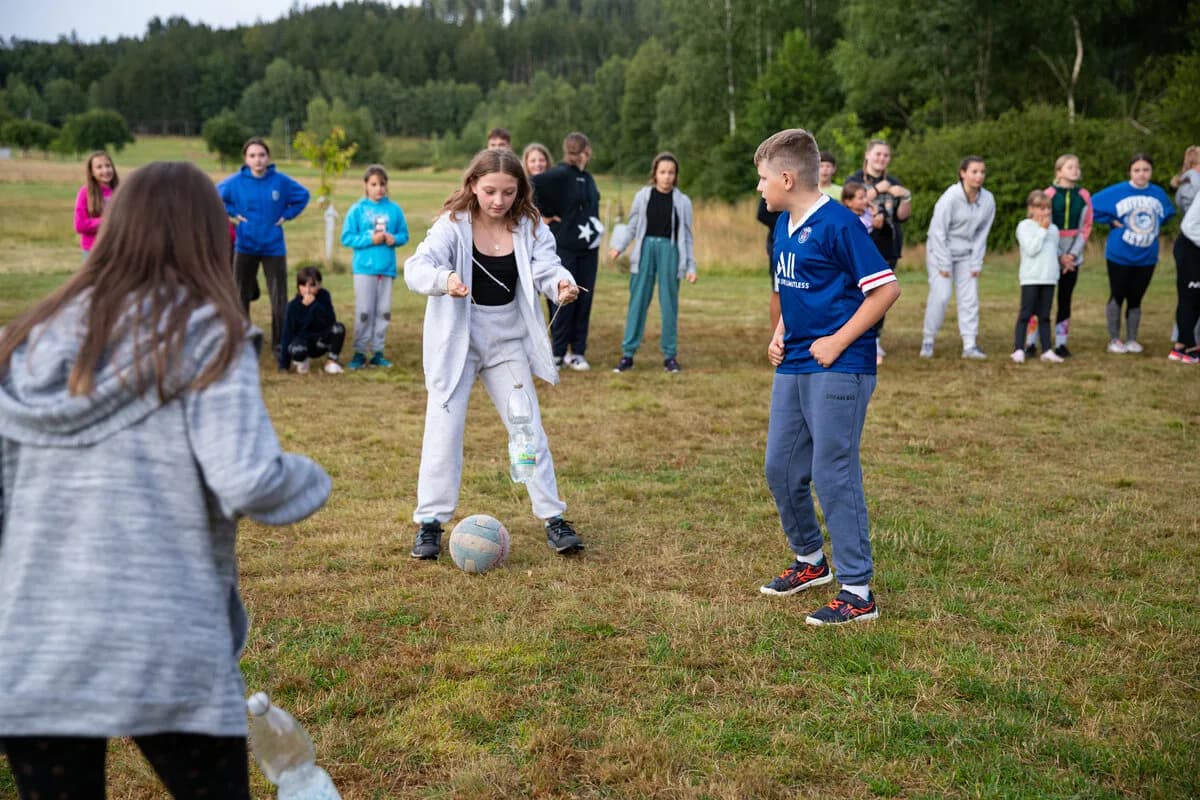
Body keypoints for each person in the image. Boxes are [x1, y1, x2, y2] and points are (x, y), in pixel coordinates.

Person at [0, 161, 331, 800]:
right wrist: (314, 480)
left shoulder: (25, 339)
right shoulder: (208, 336)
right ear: (210, 236)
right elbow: (250, 478)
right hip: (166, 637)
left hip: (35, 644)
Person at [404, 148, 585, 560]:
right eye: (489, 191)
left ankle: (554, 518)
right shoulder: (452, 226)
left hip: (507, 342)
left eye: (507, 192)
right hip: (457, 343)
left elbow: (546, 267)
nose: (498, 201)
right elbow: (416, 266)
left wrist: (561, 285)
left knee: (528, 429)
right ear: (472, 186)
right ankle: (430, 524)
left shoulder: (531, 226)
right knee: (443, 430)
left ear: (520, 190)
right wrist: (443, 279)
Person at [753, 128, 900, 626]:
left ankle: (858, 592)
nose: (760, 188)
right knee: (781, 467)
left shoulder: (840, 224)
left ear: (788, 178)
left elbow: (885, 291)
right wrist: (780, 329)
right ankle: (810, 562)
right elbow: (797, 289)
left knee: (832, 471)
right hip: (795, 361)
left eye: (763, 179)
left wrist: (838, 341)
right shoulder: (784, 224)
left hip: (842, 365)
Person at [218, 136, 310, 354]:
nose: (257, 160)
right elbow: (214, 195)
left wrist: (287, 215)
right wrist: (232, 213)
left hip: (273, 247)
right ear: (246, 159)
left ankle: (280, 342)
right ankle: (242, 341)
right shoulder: (235, 182)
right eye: (252, 156)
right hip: (245, 245)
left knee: (278, 297)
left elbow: (303, 196)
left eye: (261, 155)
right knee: (239, 294)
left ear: (268, 158)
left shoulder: (280, 181)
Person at [608, 152, 697, 373]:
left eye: (671, 173)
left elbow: (687, 235)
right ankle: (628, 355)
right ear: (655, 174)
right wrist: (619, 246)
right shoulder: (642, 196)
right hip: (644, 250)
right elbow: (632, 226)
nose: (667, 177)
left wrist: (691, 266)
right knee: (637, 302)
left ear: (675, 176)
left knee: (669, 305)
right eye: (662, 172)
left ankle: (670, 356)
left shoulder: (683, 201)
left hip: (671, 252)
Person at [532, 132, 602, 371]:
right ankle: (558, 352)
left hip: (589, 249)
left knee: (585, 298)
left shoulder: (588, 178)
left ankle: (578, 351)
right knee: (565, 297)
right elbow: (531, 184)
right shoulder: (561, 174)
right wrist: (543, 215)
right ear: (586, 151)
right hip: (565, 247)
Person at [1091, 153, 1175, 354]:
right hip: (1120, 254)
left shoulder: (1158, 193)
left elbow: (1167, 214)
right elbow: (1091, 206)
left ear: (1151, 171)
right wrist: (1111, 221)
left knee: (1136, 298)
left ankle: (1131, 339)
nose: (1141, 174)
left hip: (1147, 255)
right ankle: (1114, 339)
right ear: (1130, 171)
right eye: (1137, 170)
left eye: (1146, 170)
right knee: (1117, 295)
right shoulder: (1118, 191)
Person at [920, 156, 996, 359]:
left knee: (970, 298)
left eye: (982, 172)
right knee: (941, 296)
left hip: (967, 254)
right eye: (974, 171)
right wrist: (944, 263)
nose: (979, 176)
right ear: (963, 173)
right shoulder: (950, 197)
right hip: (940, 252)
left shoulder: (987, 199)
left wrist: (976, 262)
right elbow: (937, 232)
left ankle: (969, 345)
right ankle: (928, 341)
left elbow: (982, 233)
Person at [339, 164, 410, 369]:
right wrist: (370, 238)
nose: (378, 188)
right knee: (364, 311)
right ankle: (360, 352)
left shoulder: (394, 210)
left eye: (382, 184)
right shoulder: (357, 210)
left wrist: (392, 238)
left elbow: (404, 235)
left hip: (386, 269)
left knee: (383, 311)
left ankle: (377, 351)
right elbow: (347, 237)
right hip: (364, 269)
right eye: (374, 184)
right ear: (366, 185)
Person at [848, 140, 911, 364]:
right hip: (861, 244)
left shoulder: (893, 182)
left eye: (885, 155)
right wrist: (876, 191)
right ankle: (855, 336)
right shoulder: (854, 179)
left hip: (887, 246)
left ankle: (874, 338)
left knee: (883, 294)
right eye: (877, 154)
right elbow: (848, 203)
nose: (881, 158)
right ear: (867, 155)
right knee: (858, 293)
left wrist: (905, 197)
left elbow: (903, 216)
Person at [1025, 154, 1093, 358]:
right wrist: (1059, 256)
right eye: (1070, 166)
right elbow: (1043, 225)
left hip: (1073, 252)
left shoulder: (1084, 195)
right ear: (1059, 171)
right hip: (1050, 252)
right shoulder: (1050, 194)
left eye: (1077, 166)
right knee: (1040, 299)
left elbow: (1086, 226)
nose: (1075, 170)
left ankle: (1061, 342)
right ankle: (1030, 342)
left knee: (1065, 298)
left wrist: (1072, 255)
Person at [1011, 191, 1065, 364]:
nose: (1046, 212)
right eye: (1041, 208)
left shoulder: (1054, 229)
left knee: (1045, 315)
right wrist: (1042, 230)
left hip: (1049, 278)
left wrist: (1063, 260)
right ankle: (1019, 349)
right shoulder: (1024, 226)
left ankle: (1047, 349)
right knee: (1026, 314)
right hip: (1031, 278)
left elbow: (1054, 251)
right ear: (1031, 209)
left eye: (1048, 208)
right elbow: (1032, 249)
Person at [279, 266, 346, 374]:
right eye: (303, 285)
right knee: (296, 349)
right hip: (303, 342)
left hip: (321, 342)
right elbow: (287, 333)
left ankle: (331, 362)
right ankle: (302, 361)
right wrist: (283, 365)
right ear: (298, 286)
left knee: (338, 328)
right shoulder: (292, 306)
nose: (307, 290)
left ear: (319, 285)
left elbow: (330, 321)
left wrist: (314, 304)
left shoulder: (324, 296)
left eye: (312, 285)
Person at [1169, 191, 1200, 363]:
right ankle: (1189, 348)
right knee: (1190, 299)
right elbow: (1189, 226)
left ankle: (1180, 346)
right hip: (1190, 249)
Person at [74, 150, 118, 255]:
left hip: (116, 249)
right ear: (92, 172)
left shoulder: (120, 190)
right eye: (99, 167)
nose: (105, 170)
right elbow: (80, 225)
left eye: (108, 165)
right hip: (93, 251)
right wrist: (106, 221)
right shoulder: (85, 193)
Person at [758, 197, 783, 330]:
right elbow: (761, 214)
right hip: (777, 243)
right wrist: (783, 223)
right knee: (778, 290)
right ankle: (776, 333)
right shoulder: (775, 186)